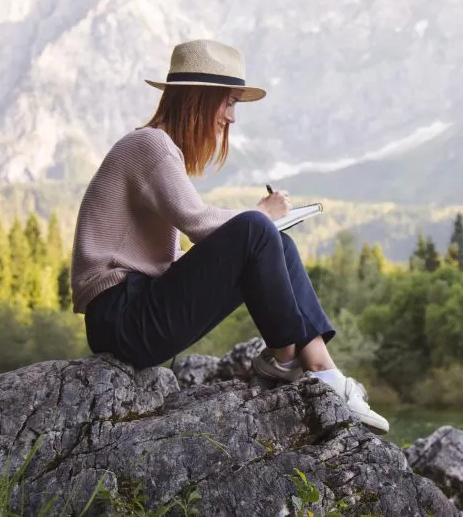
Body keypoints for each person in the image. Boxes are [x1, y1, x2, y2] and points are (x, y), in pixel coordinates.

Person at [69, 39, 389, 435]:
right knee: (258, 230)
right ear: (200, 100)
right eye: (228, 102)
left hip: (134, 314)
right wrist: (260, 215)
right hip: (121, 318)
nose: (232, 118)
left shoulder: (157, 148)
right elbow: (197, 222)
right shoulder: (150, 145)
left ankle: (319, 369)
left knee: (276, 242)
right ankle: (294, 360)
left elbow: (200, 240)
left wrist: (260, 226)